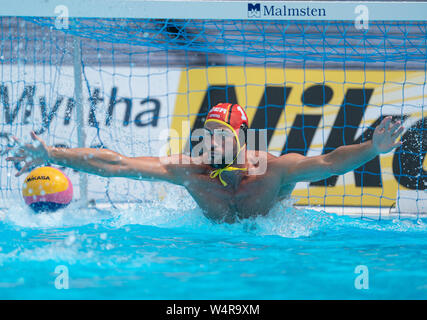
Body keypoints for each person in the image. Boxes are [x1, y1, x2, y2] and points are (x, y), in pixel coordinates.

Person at [6, 103, 404, 223]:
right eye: (208, 135)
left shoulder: (273, 169)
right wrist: (52, 155)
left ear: (241, 139)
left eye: (221, 136)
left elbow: (330, 162)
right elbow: (119, 164)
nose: (212, 144)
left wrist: (373, 147)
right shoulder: (190, 171)